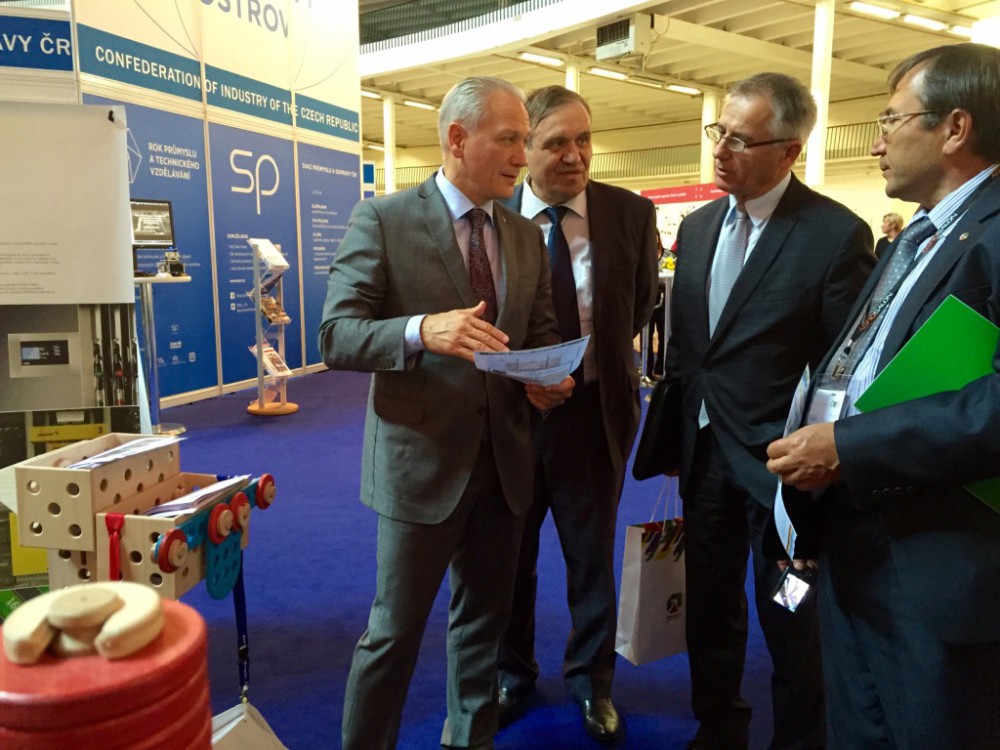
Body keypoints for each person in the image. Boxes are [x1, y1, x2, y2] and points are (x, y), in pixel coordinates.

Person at [318, 76, 574, 750]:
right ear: (458, 139)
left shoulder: (524, 236)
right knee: (393, 634)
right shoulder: (384, 220)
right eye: (510, 139)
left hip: (506, 465)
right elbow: (335, 336)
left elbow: (539, 334)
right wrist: (419, 330)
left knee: (483, 630)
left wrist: (548, 379)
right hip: (420, 466)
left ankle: (470, 740)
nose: (523, 156)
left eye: (525, 140)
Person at [766, 43, 1000, 750]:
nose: (876, 143)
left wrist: (850, 447)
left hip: (939, 561)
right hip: (856, 536)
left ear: (954, 128)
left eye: (891, 120)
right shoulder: (915, 238)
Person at [661, 72, 875, 750]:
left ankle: (799, 739)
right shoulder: (698, 228)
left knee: (792, 613)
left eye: (739, 140)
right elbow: (692, 347)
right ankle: (718, 726)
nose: (720, 150)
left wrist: (827, 455)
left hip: (785, 471)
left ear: (789, 151)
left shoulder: (833, 234)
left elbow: (847, 366)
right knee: (709, 604)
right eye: (717, 133)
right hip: (705, 457)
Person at [496, 85, 658, 743]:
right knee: (510, 558)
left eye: (584, 139)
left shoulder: (629, 213)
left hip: (593, 417)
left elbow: (639, 306)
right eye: (557, 142)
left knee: (591, 559)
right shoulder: (492, 215)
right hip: (511, 421)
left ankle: (592, 681)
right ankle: (511, 673)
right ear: (525, 146)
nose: (575, 155)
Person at [644, 233, 668, 379]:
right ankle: (646, 370)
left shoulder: (669, 255)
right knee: (646, 336)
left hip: (665, 301)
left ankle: (660, 369)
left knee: (664, 335)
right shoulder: (645, 255)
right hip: (648, 301)